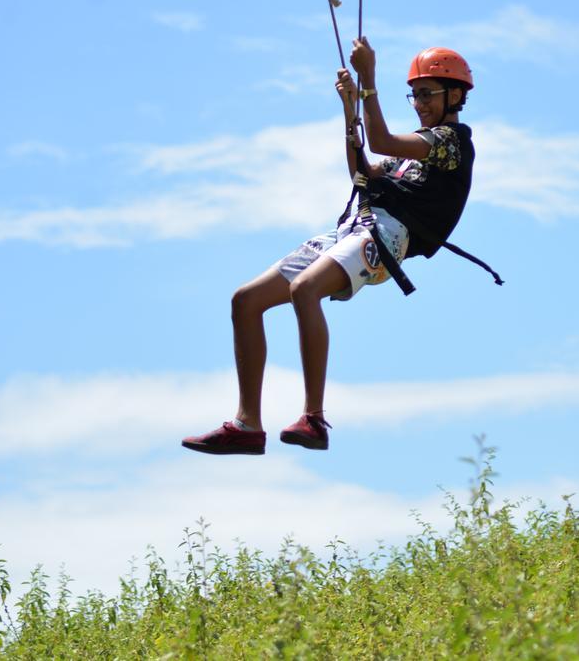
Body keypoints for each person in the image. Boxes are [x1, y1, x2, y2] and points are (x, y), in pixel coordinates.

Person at [182, 37, 476, 455]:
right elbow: (364, 171)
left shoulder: (451, 142)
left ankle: (314, 418)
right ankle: (247, 425)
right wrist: (349, 109)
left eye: (427, 95)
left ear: (456, 96)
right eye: (414, 95)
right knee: (245, 301)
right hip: (355, 227)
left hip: (388, 237)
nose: (419, 104)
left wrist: (369, 78)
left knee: (305, 288)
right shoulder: (413, 152)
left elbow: (381, 142)